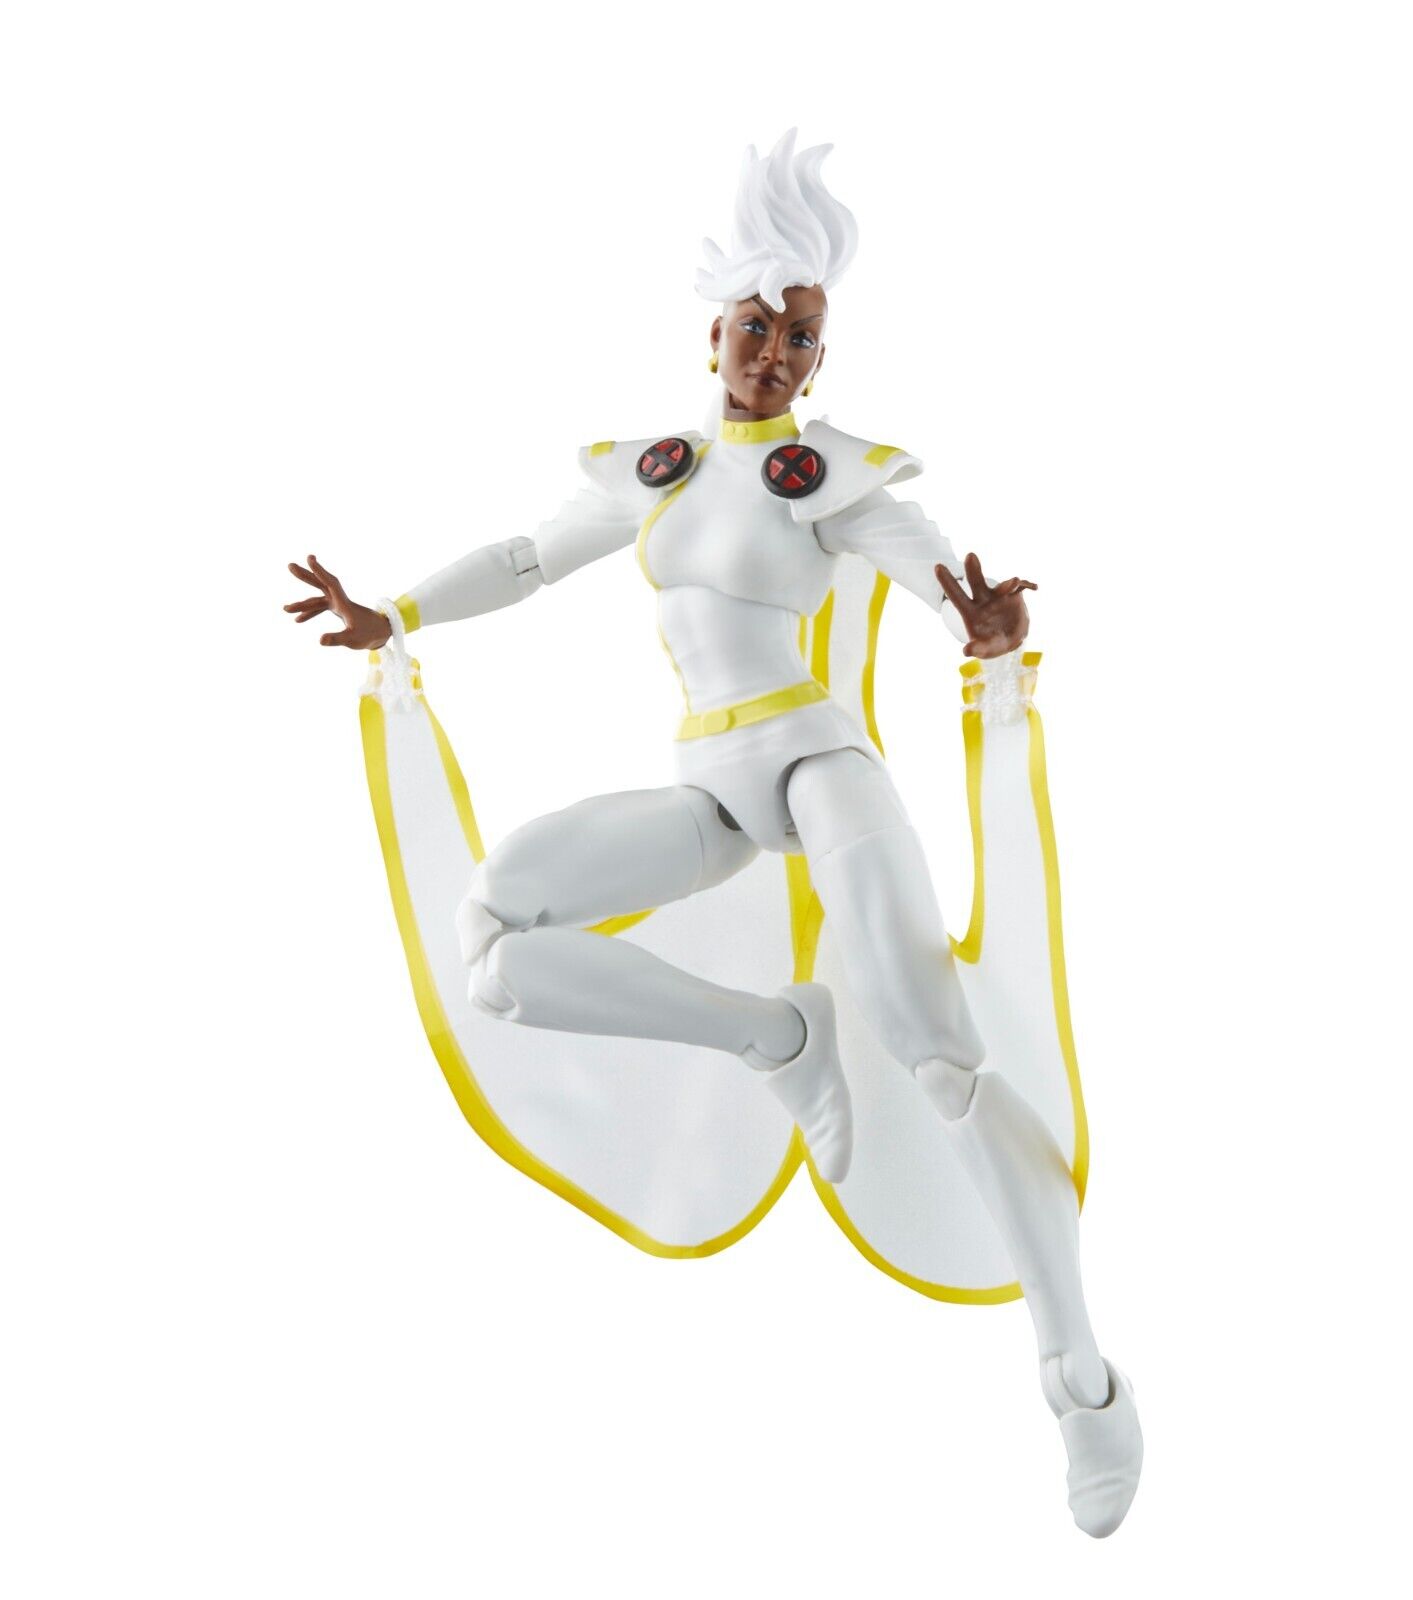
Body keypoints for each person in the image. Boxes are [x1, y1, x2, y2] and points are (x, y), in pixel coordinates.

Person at [285, 130, 1142, 1538]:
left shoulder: (832, 480)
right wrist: (399, 613)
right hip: (711, 792)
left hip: (819, 768)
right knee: (496, 944)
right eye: (759, 325)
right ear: (715, 331)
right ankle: (773, 1038)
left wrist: (979, 625)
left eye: (801, 338)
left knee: (938, 1055)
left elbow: (925, 563)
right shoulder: (659, 469)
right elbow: (527, 558)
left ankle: (1083, 1383)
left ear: (818, 357)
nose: (776, 354)